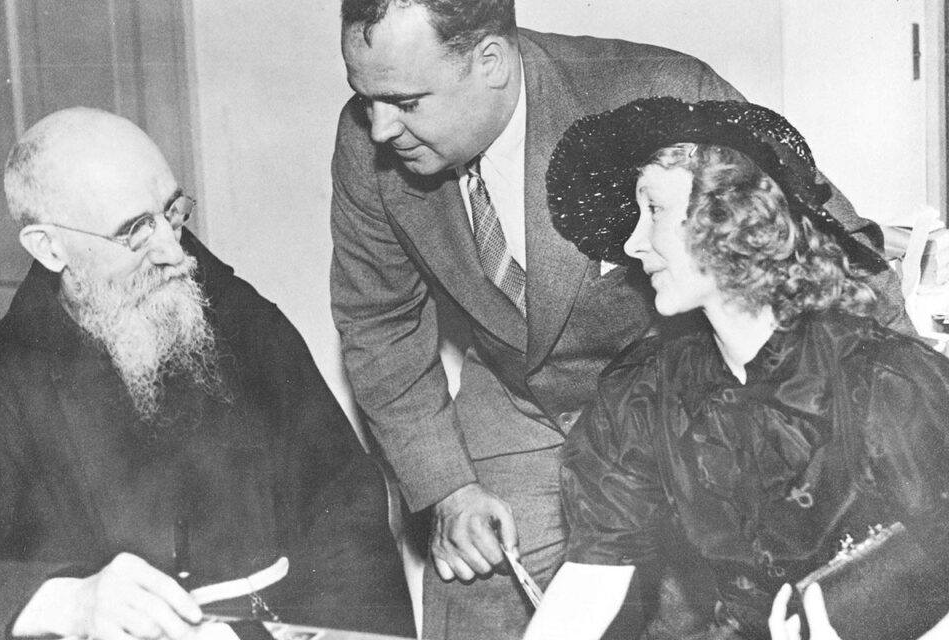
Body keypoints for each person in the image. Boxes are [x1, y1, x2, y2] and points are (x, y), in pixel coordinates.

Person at [330, 1, 912, 638]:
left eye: (407, 102)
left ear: (490, 62)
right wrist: (448, 489)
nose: (380, 128)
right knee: (476, 586)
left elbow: (836, 249)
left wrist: (889, 433)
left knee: (705, 605)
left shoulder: (655, 94)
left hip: (686, 397)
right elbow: (378, 321)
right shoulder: (369, 141)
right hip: (522, 397)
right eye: (366, 97)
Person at [0, 107, 414, 640]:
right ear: (50, 247)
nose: (172, 251)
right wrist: (65, 602)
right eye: (135, 231)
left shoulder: (245, 321)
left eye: (172, 213)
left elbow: (344, 506)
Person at [524, 97, 949, 640]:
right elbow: (589, 586)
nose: (632, 244)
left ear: (728, 216)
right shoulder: (647, 392)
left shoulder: (886, 383)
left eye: (652, 211)